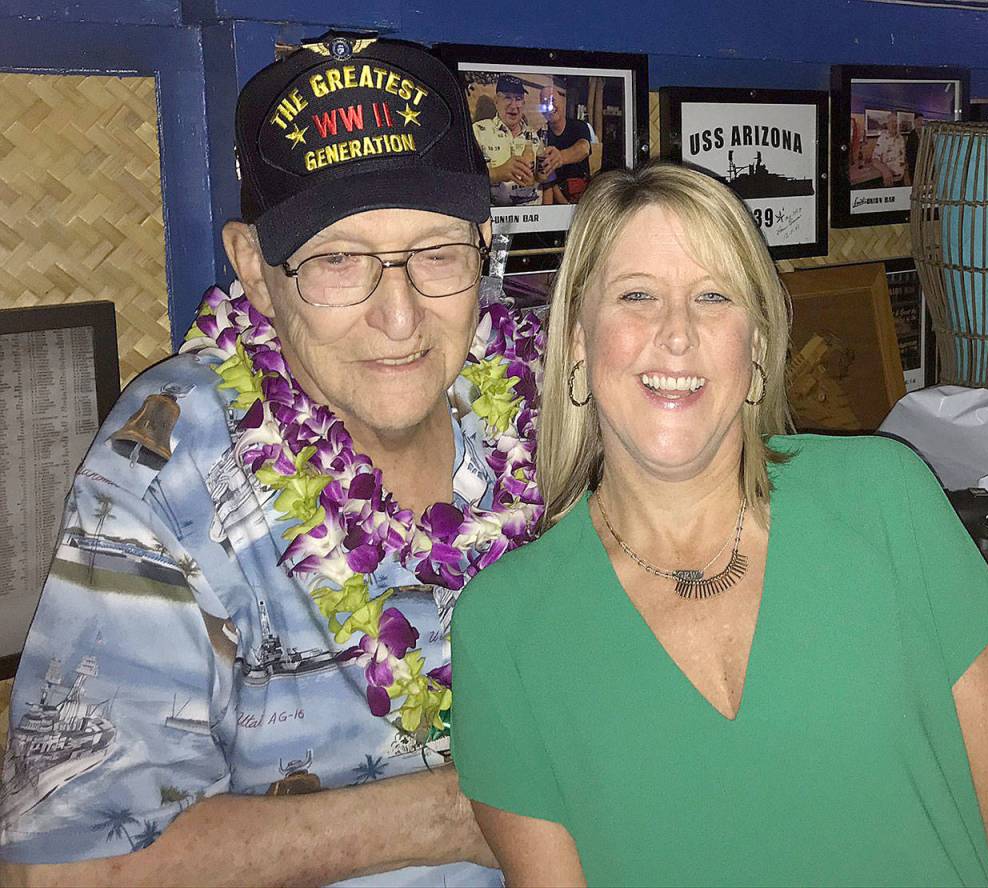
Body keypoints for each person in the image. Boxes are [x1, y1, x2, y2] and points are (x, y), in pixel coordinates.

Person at [0, 35, 545, 887]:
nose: (399, 318)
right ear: (255, 268)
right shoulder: (168, 468)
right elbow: (68, 869)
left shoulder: (549, 386)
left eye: (436, 254)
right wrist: (467, 812)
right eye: (337, 262)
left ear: (484, 242)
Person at [451, 162, 988, 887]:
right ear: (575, 343)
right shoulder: (504, 629)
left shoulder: (885, 500)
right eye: (637, 296)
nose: (678, 335)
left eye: (712, 297)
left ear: (755, 349)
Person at [472, 75, 543, 207]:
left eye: (518, 99)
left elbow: (544, 179)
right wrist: (498, 173)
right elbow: (466, 179)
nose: (514, 105)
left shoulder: (534, 136)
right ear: (496, 101)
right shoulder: (478, 132)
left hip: (532, 216)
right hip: (496, 218)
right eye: (508, 97)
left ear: (524, 103)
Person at [538, 76, 593, 205]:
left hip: (582, 196)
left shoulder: (579, 126)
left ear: (562, 102)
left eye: (553, 100)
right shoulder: (541, 135)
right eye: (545, 102)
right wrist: (564, 205)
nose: (550, 106)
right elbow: (547, 177)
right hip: (558, 198)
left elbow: (584, 149)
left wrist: (560, 158)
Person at [872, 111, 908, 187]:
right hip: (889, 180)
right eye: (891, 121)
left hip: (901, 180)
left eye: (895, 122)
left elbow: (903, 159)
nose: (894, 124)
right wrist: (885, 171)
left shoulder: (901, 138)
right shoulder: (882, 139)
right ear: (887, 124)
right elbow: (875, 159)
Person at [905, 113, 925, 185]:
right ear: (915, 121)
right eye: (919, 120)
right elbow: (909, 152)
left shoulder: (926, 134)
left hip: (925, 166)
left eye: (922, 121)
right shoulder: (911, 135)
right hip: (914, 167)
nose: (921, 123)